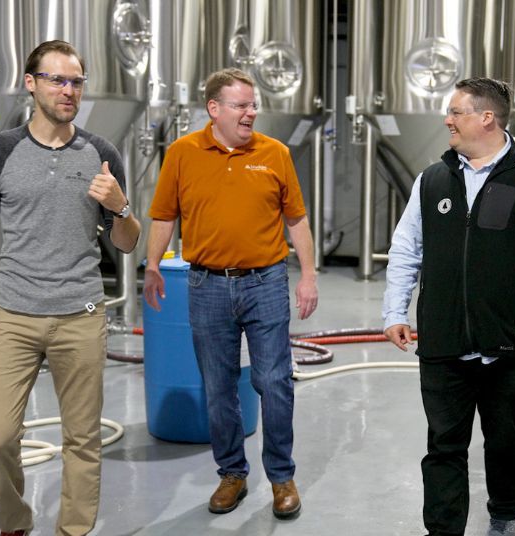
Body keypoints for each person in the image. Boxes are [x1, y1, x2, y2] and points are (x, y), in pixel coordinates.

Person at [0, 40, 141, 536]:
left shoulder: (101, 153)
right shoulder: (0, 151)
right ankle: (14, 523)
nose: (68, 90)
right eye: (57, 79)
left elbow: (126, 242)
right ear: (31, 84)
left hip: (80, 314)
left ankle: (72, 531)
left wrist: (120, 206)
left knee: (82, 439)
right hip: (13, 313)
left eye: (76, 81)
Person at [382, 77, 515, 536]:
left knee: (505, 441)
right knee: (443, 446)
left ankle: (505, 515)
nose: (447, 120)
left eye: (456, 112)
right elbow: (406, 248)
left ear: (486, 118)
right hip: (443, 339)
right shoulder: (433, 179)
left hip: (508, 341)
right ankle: (443, 530)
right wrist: (395, 311)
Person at [143, 68, 318, 519]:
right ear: (214, 109)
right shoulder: (182, 153)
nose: (251, 113)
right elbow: (164, 215)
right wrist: (151, 266)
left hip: (266, 283)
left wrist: (309, 275)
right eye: (241, 105)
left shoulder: (274, 153)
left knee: (274, 382)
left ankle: (281, 477)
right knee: (219, 387)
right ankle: (232, 474)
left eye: (253, 104)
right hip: (207, 285)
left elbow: (296, 218)